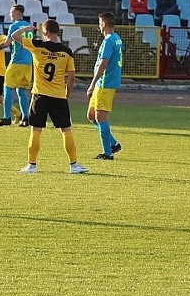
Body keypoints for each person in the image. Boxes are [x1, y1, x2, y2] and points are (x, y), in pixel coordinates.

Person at [10, 19, 89, 174]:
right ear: (57, 32)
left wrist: (29, 28)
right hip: (59, 96)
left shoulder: (37, 45)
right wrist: (67, 95)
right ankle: (74, 165)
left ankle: (32, 166)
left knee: (36, 130)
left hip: (40, 94)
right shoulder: (67, 52)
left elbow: (14, 35)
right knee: (66, 130)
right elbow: (71, 77)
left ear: (45, 32)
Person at [0, 4, 33, 127]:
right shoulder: (29, 26)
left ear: (16, 13)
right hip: (28, 63)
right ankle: (26, 118)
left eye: (11, 12)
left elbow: (6, 44)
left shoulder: (14, 26)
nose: (9, 14)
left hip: (17, 62)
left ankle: (7, 117)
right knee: (21, 91)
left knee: (7, 87)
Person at [86, 12, 123, 160]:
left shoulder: (109, 41)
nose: (99, 25)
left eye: (99, 22)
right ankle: (113, 144)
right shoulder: (117, 39)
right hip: (107, 83)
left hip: (104, 84)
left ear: (104, 24)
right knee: (91, 116)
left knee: (100, 118)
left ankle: (107, 153)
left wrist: (92, 83)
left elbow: (104, 63)